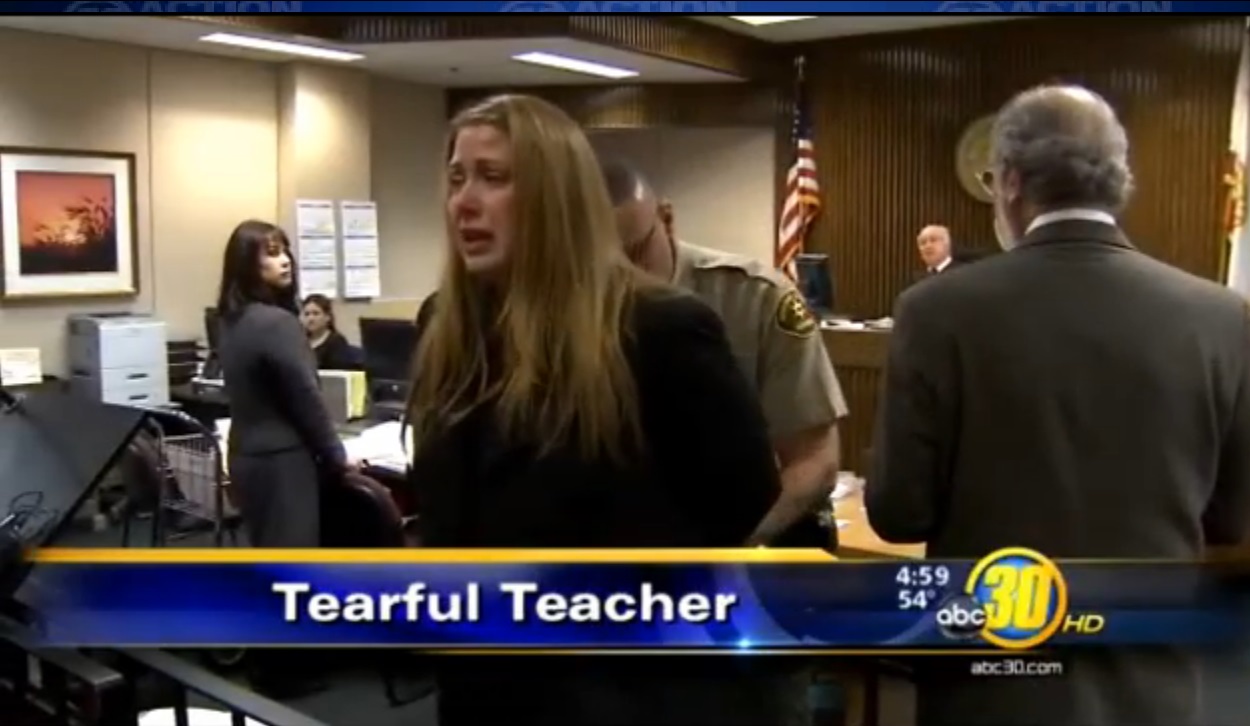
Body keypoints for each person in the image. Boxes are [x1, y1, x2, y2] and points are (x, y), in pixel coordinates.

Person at [866, 84, 1250, 725]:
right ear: (1118, 182)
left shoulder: (937, 310)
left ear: (1010, 182)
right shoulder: (1220, 317)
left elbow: (899, 512)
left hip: (989, 681)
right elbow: (1234, 521)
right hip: (1150, 682)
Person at [405, 94, 786, 725]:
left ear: (556, 200)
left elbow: (739, 501)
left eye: (494, 178)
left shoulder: (660, 330)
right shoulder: (445, 329)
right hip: (481, 688)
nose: (464, 202)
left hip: (625, 693)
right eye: (456, 178)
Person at [600, 160, 847, 548]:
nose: (623, 276)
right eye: (600, 263)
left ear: (667, 221)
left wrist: (737, 549)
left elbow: (815, 457)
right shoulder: (559, 311)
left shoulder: (755, 298)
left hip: (747, 543)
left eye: (635, 253)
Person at [214, 219, 352, 697]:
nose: (285, 259)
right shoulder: (277, 323)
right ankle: (284, 673)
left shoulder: (229, 319)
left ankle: (269, 661)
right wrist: (337, 457)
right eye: (271, 252)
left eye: (286, 250)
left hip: (248, 454)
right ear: (247, 263)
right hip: (282, 458)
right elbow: (306, 399)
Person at [300, 293, 359, 369]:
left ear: (327, 317)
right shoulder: (300, 341)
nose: (310, 319)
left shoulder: (336, 341)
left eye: (316, 313)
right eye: (306, 314)